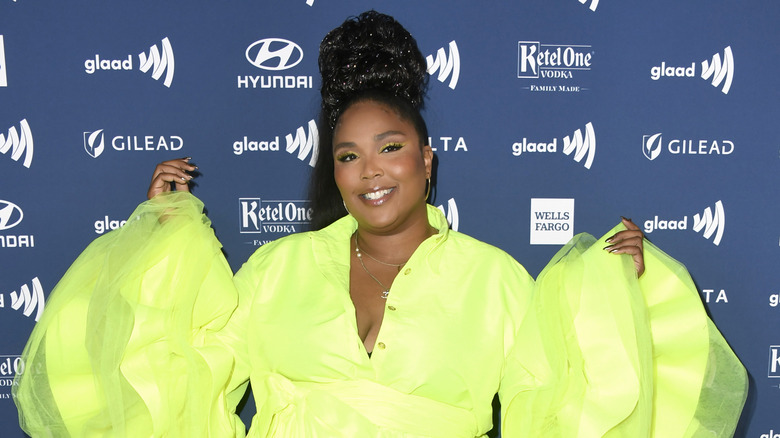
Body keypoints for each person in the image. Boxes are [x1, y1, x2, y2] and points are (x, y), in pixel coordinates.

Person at [14, 11, 746, 438]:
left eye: (390, 148)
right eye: (348, 155)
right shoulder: (277, 269)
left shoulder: (494, 280)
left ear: (426, 159)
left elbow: (559, 401)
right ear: (332, 171)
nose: (371, 172)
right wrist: (160, 239)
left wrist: (622, 290)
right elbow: (180, 368)